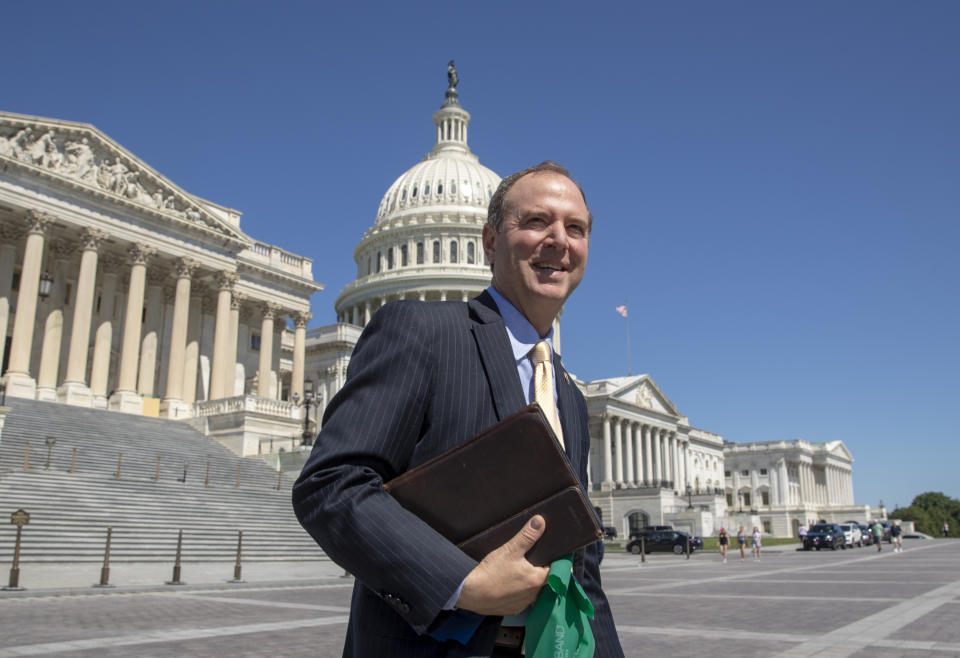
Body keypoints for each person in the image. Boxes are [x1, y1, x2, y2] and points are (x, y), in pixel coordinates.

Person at [293, 162, 624, 657]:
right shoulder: (420, 332)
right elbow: (331, 484)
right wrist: (461, 582)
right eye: (536, 221)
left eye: (574, 228)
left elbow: (581, 563)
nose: (558, 240)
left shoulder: (570, 398)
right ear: (489, 243)